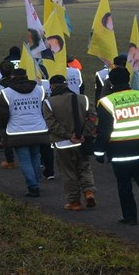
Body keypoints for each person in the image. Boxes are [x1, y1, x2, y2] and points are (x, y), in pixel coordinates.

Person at [94, 67, 139, 225]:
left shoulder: (106, 103)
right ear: (128, 79)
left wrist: (99, 152)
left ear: (111, 82)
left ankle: (130, 217)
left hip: (120, 150)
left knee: (124, 183)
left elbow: (104, 131)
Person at [42, 74, 97, 211]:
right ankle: (89, 192)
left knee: (68, 173)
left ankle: (74, 202)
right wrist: (84, 134)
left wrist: (68, 135)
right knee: (84, 167)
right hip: (82, 142)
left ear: (52, 86)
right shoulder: (83, 98)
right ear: (66, 85)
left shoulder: (49, 102)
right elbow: (92, 117)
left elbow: (52, 124)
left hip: (63, 144)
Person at [0, 68, 49, 198]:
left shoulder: (6, 92)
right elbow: (45, 109)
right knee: (36, 156)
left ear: (12, 78)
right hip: (38, 128)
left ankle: (33, 186)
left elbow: (2, 114)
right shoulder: (39, 89)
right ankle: (36, 182)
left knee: (25, 159)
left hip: (17, 130)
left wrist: (3, 127)